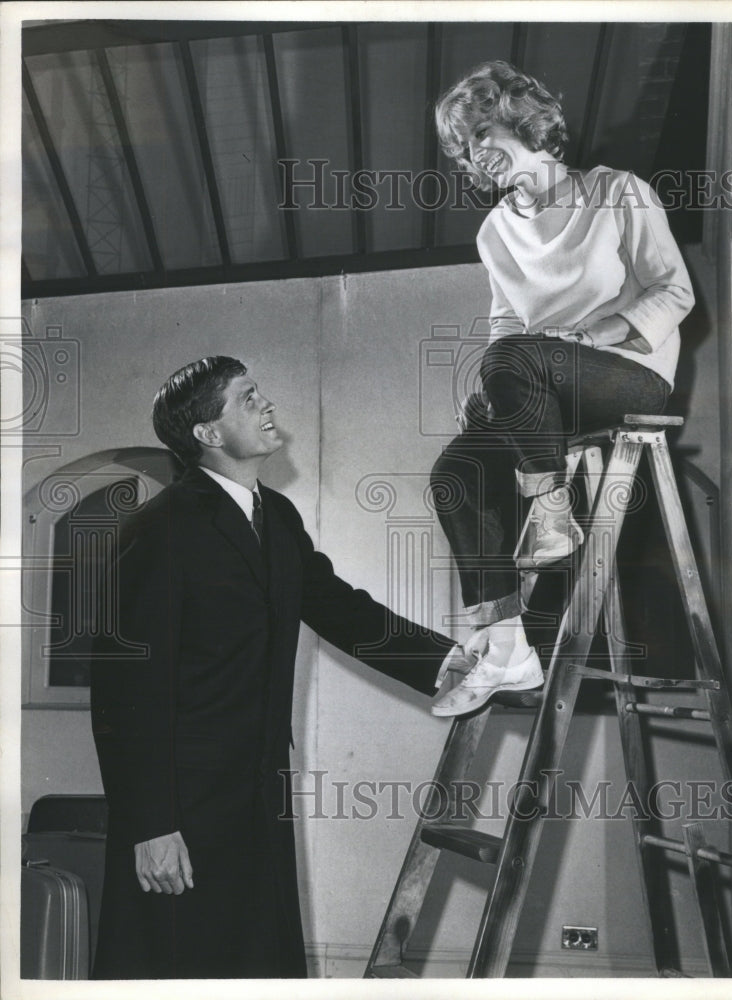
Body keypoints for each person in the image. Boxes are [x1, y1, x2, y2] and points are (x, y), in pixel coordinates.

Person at [89, 356, 458, 979]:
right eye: (247, 398)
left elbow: (339, 608)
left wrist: (446, 660)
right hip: (183, 804)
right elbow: (125, 695)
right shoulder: (159, 530)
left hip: (259, 789)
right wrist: (151, 826)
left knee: (256, 961)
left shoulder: (278, 516)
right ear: (208, 434)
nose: (268, 406)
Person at [430, 61, 695, 717]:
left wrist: (595, 336)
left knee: (515, 361)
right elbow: (504, 325)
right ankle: (506, 641)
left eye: (480, 137)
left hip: (628, 375)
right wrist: (496, 384)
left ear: (524, 122)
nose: (474, 158)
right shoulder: (495, 232)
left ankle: (549, 514)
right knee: (455, 472)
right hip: (540, 389)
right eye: (463, 150)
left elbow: (675, 291)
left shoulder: (617, 192)